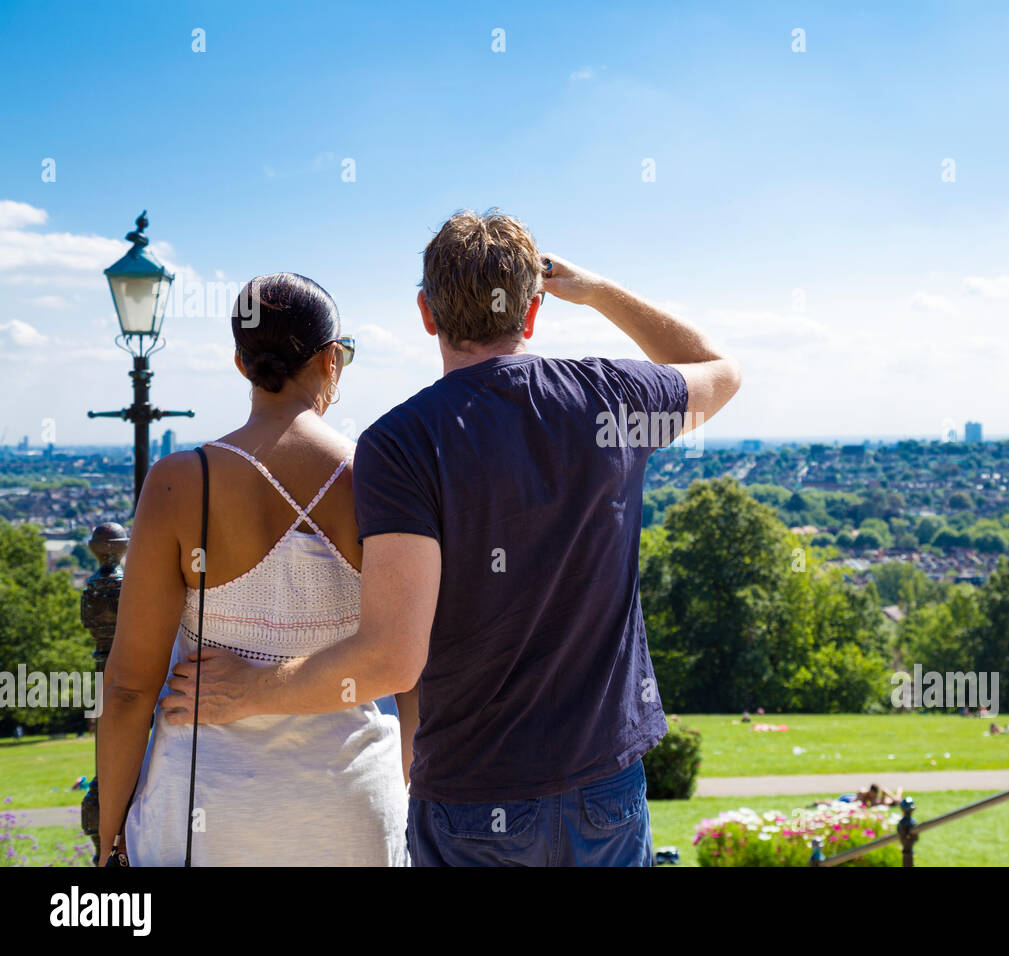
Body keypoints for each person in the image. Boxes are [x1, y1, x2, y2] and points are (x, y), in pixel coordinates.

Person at [164, 210, 742, 866]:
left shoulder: (401, 444)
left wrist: (251, 690)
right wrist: (597, 289)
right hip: (602, 789)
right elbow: (718, 367)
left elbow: (389, 660)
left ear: (425, 312)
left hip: (473, 801)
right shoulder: (612, 398)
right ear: (531, 314)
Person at [95, 274, 411, 866]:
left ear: (241, 364)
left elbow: (129, 686)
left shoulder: (177, 481)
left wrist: (110, 830)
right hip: (351, 807)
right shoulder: (381, 478)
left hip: (203, 812)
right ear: (330, 360)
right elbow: (414, 669)